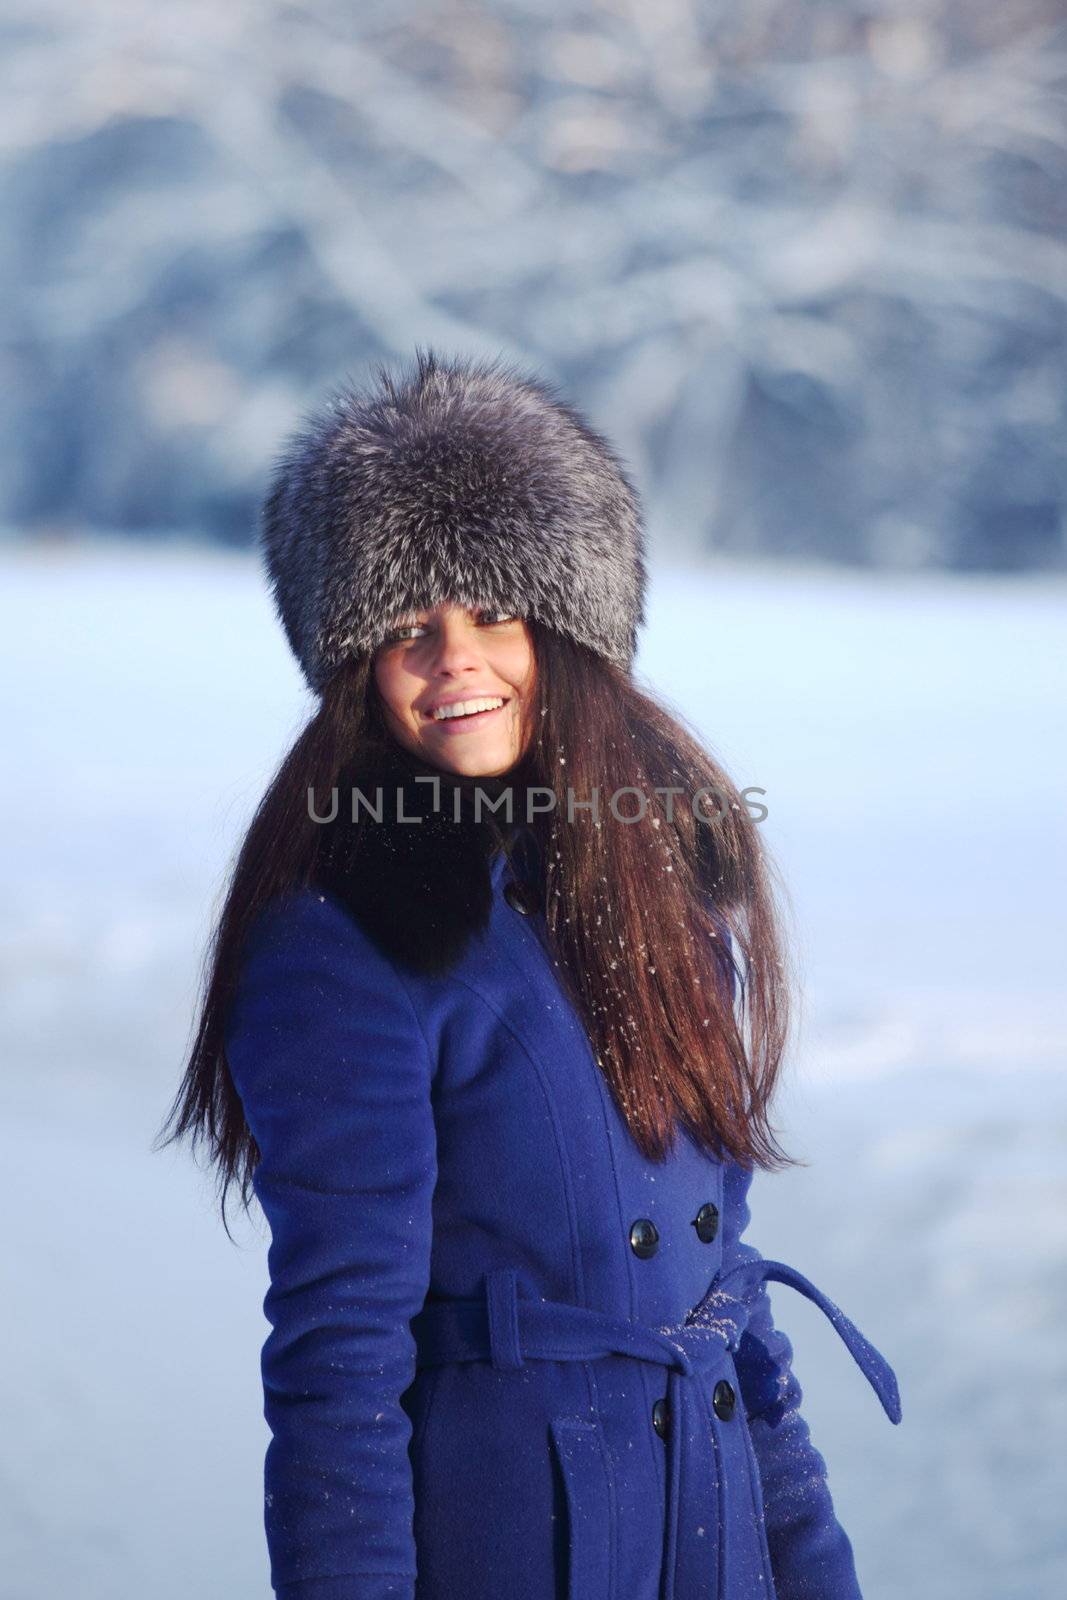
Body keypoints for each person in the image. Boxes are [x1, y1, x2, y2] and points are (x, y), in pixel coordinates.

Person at [160, 347, 900, 1600]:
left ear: (568, 630)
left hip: (710, 1529)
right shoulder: (340, 941)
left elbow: (723, 1292)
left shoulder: (664, 887)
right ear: (353, 671)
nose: (457, 660)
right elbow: (340, 1363)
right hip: (520, 1539)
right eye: (406, 628)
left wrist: (811, 1569)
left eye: (493, 612)